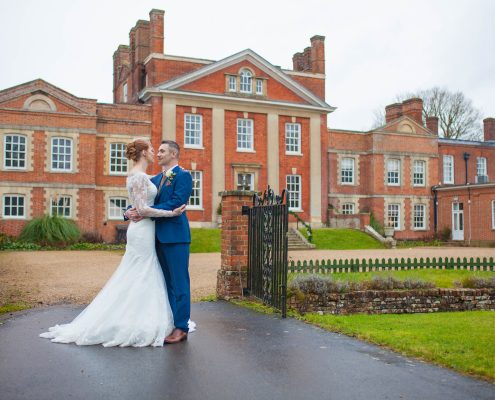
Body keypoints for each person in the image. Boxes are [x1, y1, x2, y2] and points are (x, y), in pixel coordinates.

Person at [39, 139, 185, 347]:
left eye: (159, 150)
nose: (155, 153)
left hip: (145, 230)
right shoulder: (140, 176)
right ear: (143, 153)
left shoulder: (145, 176)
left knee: (141, 273)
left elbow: (139, 205)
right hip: (142, 230)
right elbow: (142, 209)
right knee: (142, 272)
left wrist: (129, 211)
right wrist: (171, 212)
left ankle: (140, 317)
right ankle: (136, 321)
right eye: (152, 150)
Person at [125, 140, 193, 344]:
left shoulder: (184, 176)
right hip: (154, 238)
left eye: (162, 150)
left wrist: (144, 214)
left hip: (176, 238)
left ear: (173, 154)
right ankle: (171, 322)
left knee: (180, 283)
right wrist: (128, 212)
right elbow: (142, 201)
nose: (159, 153)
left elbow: (176, 202)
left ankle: (182, 327)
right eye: (158, 150)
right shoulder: (154, 178)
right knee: (166, 284)